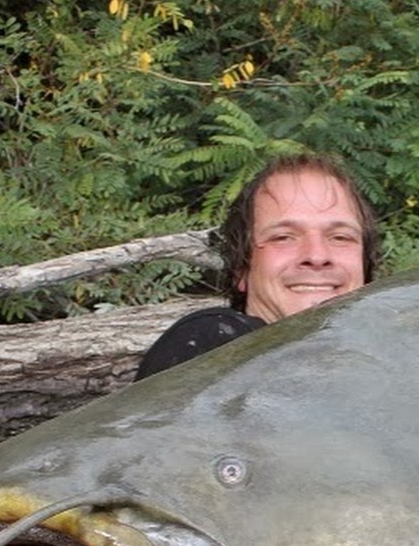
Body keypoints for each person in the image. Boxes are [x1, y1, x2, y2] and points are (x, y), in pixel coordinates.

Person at [133, 153, 380, 380]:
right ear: (242, 267)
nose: (316, 256)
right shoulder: (211, 344)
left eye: (340, 237)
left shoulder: (390, 356)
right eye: (283, 237)